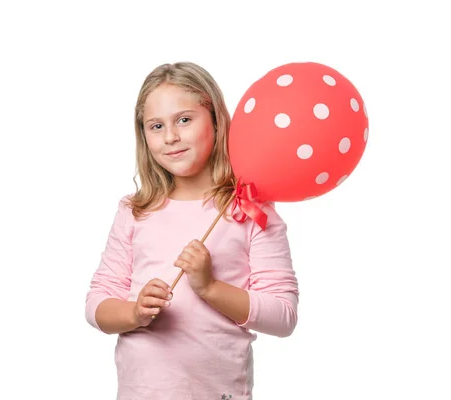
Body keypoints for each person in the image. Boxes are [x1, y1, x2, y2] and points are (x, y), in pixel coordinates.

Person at [84, 61, 299, 399]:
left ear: (215, 119)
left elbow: (283, 317)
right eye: (156, 126)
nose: (170, 137)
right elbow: (97, 303)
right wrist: (135, 312)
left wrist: (209, 286)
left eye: (184, 120)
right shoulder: (134, 210)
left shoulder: (250, 209)